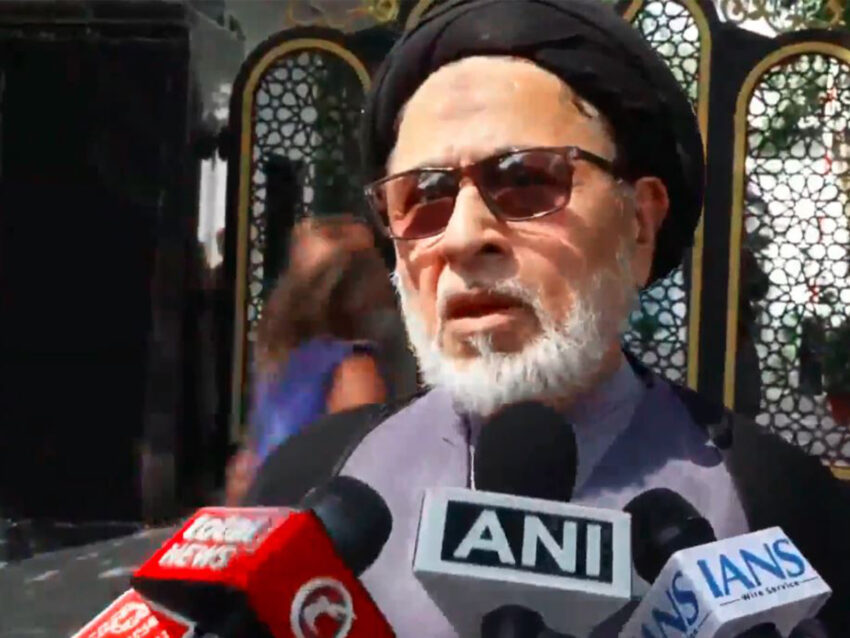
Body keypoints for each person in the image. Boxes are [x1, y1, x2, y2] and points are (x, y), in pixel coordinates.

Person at [246, 1, 850, 634]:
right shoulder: (312, 485)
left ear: (640, 225)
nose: (463, 237)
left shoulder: (775, 502)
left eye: (526, 180)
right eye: (423, 196)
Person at [225, 214, 413, 505]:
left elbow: (248, 463)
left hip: (265, 511)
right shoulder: (353, 368)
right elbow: (358, 473)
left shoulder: (279, 356)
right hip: (304, 517)